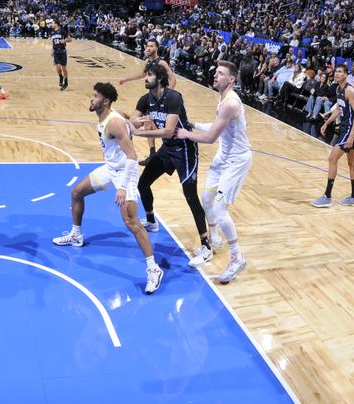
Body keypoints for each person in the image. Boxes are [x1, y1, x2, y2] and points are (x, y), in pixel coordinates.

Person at [53, 82, 164, 294]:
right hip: (111, 169)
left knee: (131, 222)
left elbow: (133, 157)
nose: (91, 99)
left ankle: (154, 269)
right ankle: (76, 235)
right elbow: (127, 121)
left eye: (95, 96)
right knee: (77, 192)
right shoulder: (111, 115)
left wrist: (122, 188)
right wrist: (134, 123)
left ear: (105, 101)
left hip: (125, 175)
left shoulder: (113, 123)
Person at [176, 61, 251, 284]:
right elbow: (217, 125)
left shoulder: (230, 103)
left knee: (219, 209)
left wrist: (185, 133)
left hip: (236, 161)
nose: (215, 76)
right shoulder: (223, 100)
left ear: (232, 80)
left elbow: (211, 138)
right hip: (223, 156)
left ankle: (237, 257)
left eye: (221, 73)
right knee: (207, 198)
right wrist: (194, 124)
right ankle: (215, 240)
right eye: (216, 72)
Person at [130, 64, 211, 266]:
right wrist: (136, 121)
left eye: (149, 75)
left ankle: (206, 245)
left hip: (185, 149)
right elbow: (133, 118)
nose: (145, 78)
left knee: (190, 195)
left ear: (159, 78)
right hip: (167, 149)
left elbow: (168, 131)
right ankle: (151, 221)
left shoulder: (174, 97)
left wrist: (141, 131)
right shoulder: (146, 98)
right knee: (143, 183)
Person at [120, 39, 177, 166]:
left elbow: (173, 79)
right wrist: (127, 79)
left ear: (157, 48)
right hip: (152, 96)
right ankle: (152, 154)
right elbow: (141, 74)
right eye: (147, 46)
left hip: (162, 97)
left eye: (151, 46)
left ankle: (168, 152)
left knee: (162, 125)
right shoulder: (147, 62)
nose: (149, 48)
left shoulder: (161, 62)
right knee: (147, 122)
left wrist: (167, 95)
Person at [311, 63, 354, 207]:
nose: (336, 74)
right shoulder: (338, 89)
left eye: (340, 72)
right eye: (336, 71)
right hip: (344, 128)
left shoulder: (350, 91)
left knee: (332, 158)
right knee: (351, 163)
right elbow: (338, 110)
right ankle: (353, 196)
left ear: (346, 75)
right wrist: (326, 123)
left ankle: (327, 196)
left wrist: (351, 136)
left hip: (349, 129)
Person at [50, 19, 71, 91]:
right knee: (58, 67)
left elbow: (70, 39)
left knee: (64, 68)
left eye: (52, 23)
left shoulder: (62, 31)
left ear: (56, 24)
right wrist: (52, 50)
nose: (51, 24)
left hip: (62, 51)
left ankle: (66, 82)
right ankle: (60, 76)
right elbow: (53, 43)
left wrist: (65, 40)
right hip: (56, 52)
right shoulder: (52, 32)